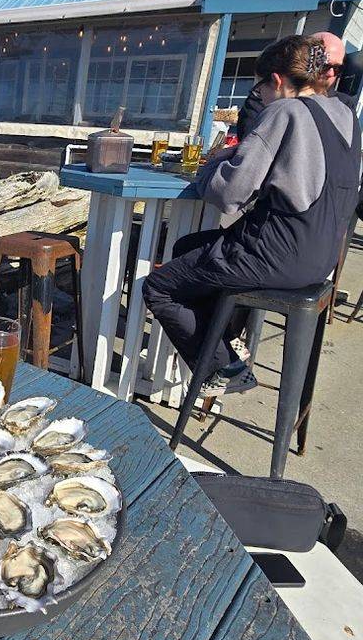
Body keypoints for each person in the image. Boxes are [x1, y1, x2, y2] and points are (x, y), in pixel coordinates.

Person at [142, 35, 361, 397]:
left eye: (260, 86)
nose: (259, 95)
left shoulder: (284, 111)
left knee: (160, 288)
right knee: (188, 246)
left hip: (275, 253)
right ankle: (223, 331)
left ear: (275, 80)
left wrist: (208, 168)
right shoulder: (344, 114)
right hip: (323, 258)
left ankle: (224, 366)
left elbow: (229, 195)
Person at [236, 30, 351, 141]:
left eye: (337, 68)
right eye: (325, 65)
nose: (330, 73)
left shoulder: (344, 108)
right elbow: (251, 144)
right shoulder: (263, 95)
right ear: (304, 59)